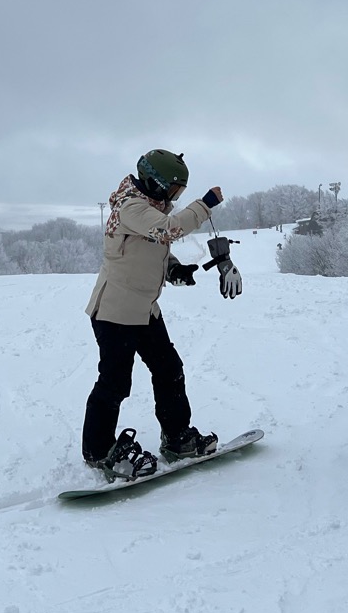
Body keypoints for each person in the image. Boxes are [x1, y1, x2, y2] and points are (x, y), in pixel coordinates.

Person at [82, 149, 243, 480]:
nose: (175, 197)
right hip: (115, 312)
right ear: (154, 183)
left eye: (179, 193)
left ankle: (176, 437)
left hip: (145, 310)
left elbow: (148, 249)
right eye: (173, 190)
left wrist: (174, 270)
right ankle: (98, 451)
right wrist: (204, 204)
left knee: (170, 370)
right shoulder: (132, 207)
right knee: (114, 383)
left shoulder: (148, 209)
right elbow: (167, 230)